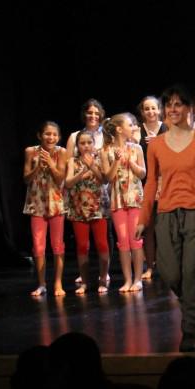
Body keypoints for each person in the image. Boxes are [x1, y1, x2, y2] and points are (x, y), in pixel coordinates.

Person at [134, 86, 195, 352]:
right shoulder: (156, 144)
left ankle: (190, 329)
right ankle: (191, 302)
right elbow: (151, 183)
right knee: (169, 272)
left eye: (179, 104)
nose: (173, 109)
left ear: (189, 108)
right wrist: (143, 219)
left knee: (191, 272)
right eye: (169, 105)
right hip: (166, 213)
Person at [101, 113, 146, 292]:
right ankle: (127, 280)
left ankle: (138, 279)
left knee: (135, 240)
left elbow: (143, 173)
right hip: (118, 200)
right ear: (119, 129)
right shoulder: (106, 151)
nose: (133, 127)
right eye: (130, 125)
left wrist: (131, 163)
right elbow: (107, 178)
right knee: (123, 242)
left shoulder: (136, 148)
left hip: (134, 199)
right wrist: (117, 161)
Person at [24, 121, 68, 296]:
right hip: (37, 202)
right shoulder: (30, 151)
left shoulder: (61, 152)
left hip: (55, 202)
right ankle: (42, 284)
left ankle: (58, 283)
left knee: (57, 244)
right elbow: (26, 179)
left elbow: (60, 179)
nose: (51, 137)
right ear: (40, 135)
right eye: (47, 134)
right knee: (38, 245)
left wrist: (50, 163)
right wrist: (36, 168)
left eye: (54, 134)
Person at [65, 129, 109, 294]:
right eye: (82, 143)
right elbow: (68, 183)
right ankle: (84, 282)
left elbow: (104, 179)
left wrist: (92, 166)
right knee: (82, 245)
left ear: (94, 143)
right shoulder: (72, 161)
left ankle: (103, 279)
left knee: (101, 244)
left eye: (89, 142)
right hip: (79, 208)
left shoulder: (99, 159)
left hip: (98, 207)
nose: (86, 146)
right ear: (77, 145)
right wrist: (82, 174)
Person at [137, 96, 166, 281]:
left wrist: (160, 141)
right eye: (147, 109)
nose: (150, 112)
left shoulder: (166, 128)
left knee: (165, 227)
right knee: (148, 227)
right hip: (145, 183)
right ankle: (150, 266)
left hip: (165, 182)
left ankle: (168, 265)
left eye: (153, 108)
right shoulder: (137, 130)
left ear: (159, 110)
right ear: (142, 112)